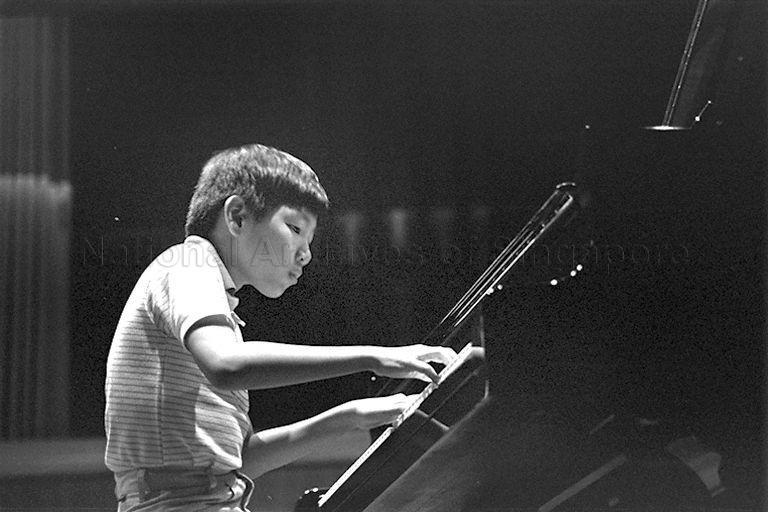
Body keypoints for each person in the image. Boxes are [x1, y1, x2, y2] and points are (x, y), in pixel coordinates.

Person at [104, 143, 456, 511]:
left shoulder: (212, 304)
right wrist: (373, 356)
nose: (306, 254)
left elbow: (239, 461)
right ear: (237, 216)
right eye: (294, 228)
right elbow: (228, 366)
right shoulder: (188, 263)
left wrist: (348, 417)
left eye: (310, 240)